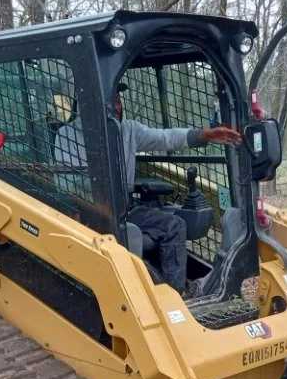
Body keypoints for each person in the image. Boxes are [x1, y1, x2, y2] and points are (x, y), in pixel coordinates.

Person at [54, 82, 240, 294]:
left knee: (175, 225)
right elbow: (67, 185)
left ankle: (174, 295)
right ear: (88, 103)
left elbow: (165, 138)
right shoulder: (67, 136)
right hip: (89, 214)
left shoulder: (128, 130)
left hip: (125, 210)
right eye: (109, 100)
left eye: (117, 100)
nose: (116, 106)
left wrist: (203, 136)